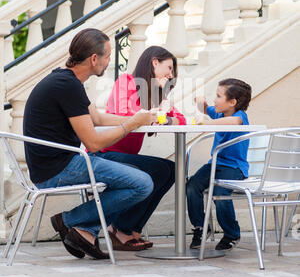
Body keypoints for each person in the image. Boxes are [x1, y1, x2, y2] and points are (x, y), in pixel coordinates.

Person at [23, 28, 158, 260]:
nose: (108, 61)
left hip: (57, 163)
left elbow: (97, 119)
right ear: (94, 59)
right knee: (143, 183)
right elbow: (93, 142)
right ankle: (69, 221)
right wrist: (132, 124)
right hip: (58, 169)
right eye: (107, 56)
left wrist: (138, 118)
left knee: (135, 175)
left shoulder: (65, 79)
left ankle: (86, 230)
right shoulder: (68, 86)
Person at [93, 46, 186, 250]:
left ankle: (131, 228)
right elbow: (126, 113)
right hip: (106, 154)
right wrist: (158, 112)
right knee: (160, 170)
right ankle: (120, 229)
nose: (170, 75)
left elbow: (181, 119)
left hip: (125, 156)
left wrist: (163, 116)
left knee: (172, 170)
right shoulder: (126, 81)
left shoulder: (158, 94)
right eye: (168, 68)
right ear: (154, 62)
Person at [186, 78, 252, 251]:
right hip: (215, 164)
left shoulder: (239, 117)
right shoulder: (220, 114)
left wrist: (207, 122)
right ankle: (201, 227)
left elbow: (233, 123)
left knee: (220, 192)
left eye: (218, 96)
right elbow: (206, 109)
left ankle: (231, 233)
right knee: (192, 186)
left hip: (234, 168)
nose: (214, 100)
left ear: (232, 102)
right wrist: (200, 102)